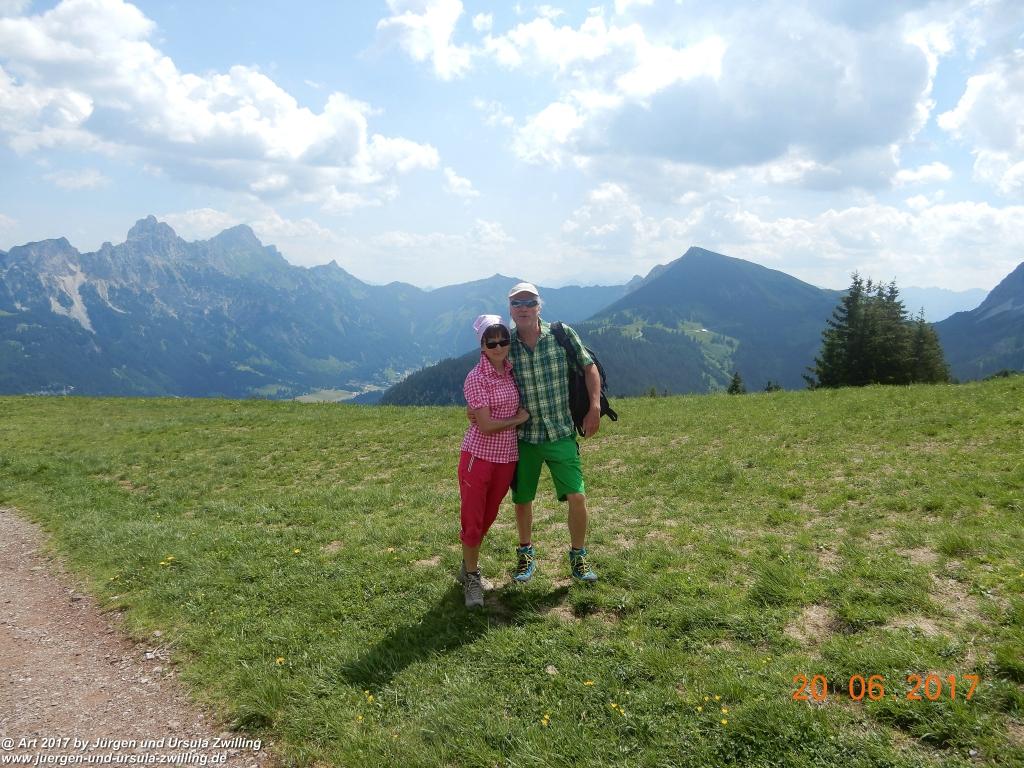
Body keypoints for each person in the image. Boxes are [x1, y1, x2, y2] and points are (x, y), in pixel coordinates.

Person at [506, 282, 602, 583]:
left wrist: (595, 407)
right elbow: (488, 377)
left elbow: (589, 367)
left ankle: (579, 557)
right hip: (525, 438)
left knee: (577, 496)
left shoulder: (561, 334)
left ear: (539, 306)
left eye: (529, 302)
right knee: (523, 500)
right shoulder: (505, 344)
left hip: (560, 433)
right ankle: (525, 554)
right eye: (517, 303)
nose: (523, 308)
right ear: (510, 309)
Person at [457, 314, 530, 608]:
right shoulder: (476, 377)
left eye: (503, 340)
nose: (499, 346)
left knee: (487, 517)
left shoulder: (512, 372)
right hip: (479, 457)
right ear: (482, 345)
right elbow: (485, 426)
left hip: (506, 458)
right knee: (473, 520)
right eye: (492, 341)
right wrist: (518, 419)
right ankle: (472, 579)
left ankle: (466, 566)